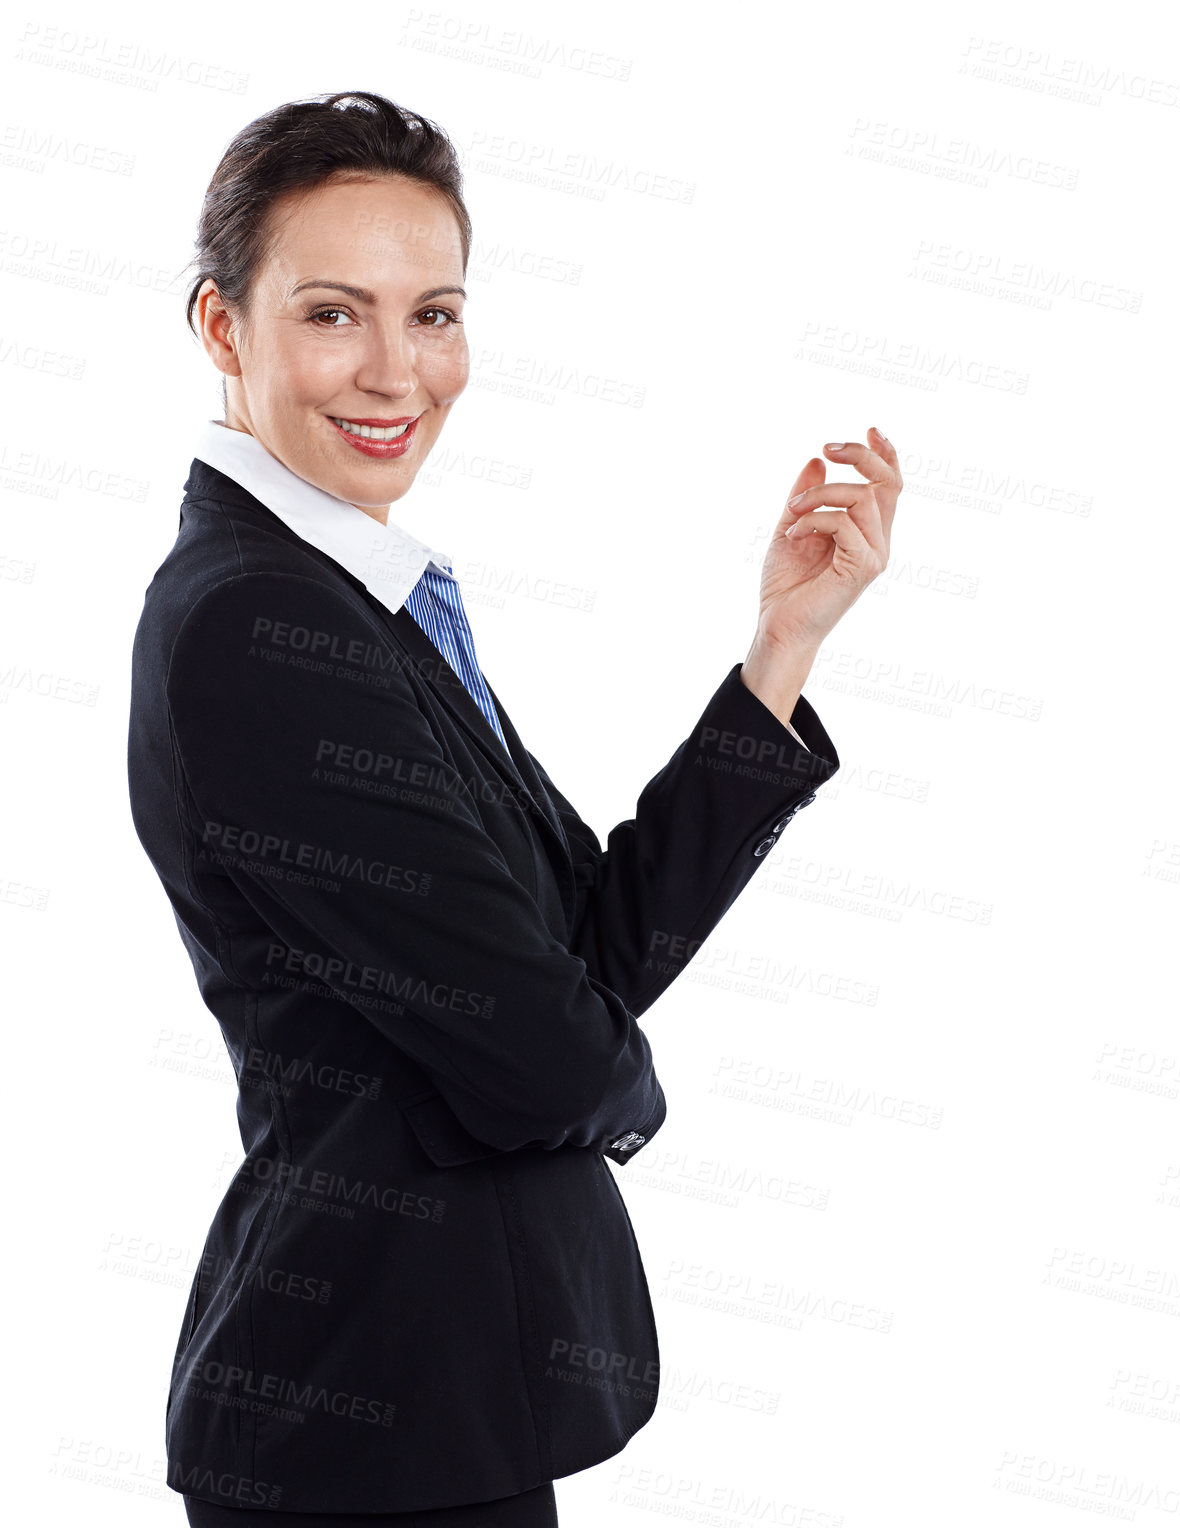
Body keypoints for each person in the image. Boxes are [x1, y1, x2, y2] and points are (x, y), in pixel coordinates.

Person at [127, 90, 901, 1527]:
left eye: (434, 314)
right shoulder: (258, 629)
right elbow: (546, 1055)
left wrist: (780, 654)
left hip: (429, 1412)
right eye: (331, 314)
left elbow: (584, 948)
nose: (396, 371)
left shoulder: (351, 601)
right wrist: (628, 1091)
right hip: (365, 1432)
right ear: (223, 329)